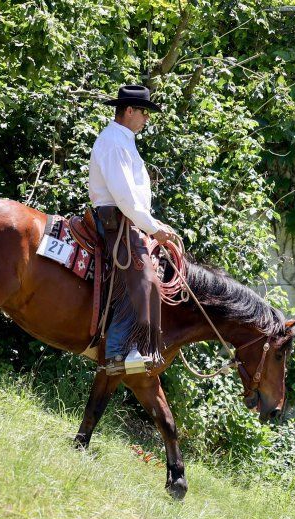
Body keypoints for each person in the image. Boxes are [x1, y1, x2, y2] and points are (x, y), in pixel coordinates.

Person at [89, 84, 177, 368]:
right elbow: (125, 196)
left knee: (144, 274)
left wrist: (152, 223)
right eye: (144, 112)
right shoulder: (115, 142)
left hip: (125, 218)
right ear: (129, 111)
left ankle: (130, 349)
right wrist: (152, 228)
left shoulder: (120, 139)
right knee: (144, 278)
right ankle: (121, 351)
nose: (146, 119)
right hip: (117, 219)